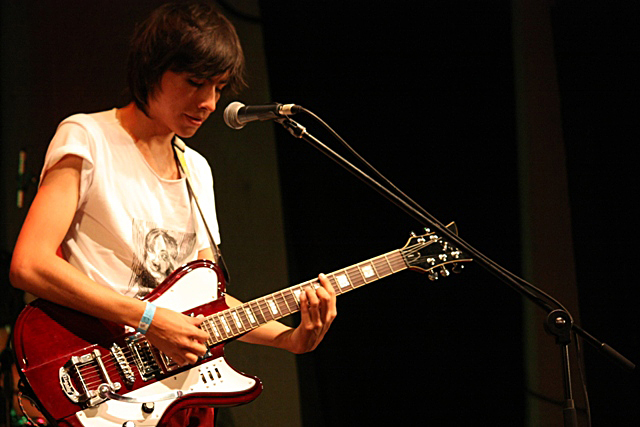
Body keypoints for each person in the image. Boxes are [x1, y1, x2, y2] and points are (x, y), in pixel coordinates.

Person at [9, 1, 337, 425]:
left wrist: (289, 339)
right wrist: (148, 319)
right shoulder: (88, 137)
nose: (209, 103)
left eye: (218, 87)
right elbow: (29, 264)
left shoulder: (196, 170)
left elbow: (206, 302)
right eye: (195, 83)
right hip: (99, 381)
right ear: (152, 69)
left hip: (171, 401)